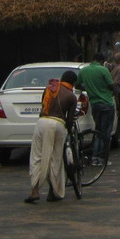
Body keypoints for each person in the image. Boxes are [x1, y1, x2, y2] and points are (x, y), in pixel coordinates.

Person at [25, 70, 78, 204]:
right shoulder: (71, 96)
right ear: (73, 83)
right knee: (55, 158)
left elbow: (44, 107)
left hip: (42, 122)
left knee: (37, 156)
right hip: (58, 124)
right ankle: (53, 192)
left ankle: (35, 191)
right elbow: (70, 121)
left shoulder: (49, 89)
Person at [78, 52, 116, 165]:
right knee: (106, 132)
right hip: (107, 103)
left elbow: (77, 85)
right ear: (102, 61)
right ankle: (102, 158)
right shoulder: (103, 70)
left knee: (98, 130)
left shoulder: (84, 71)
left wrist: (89, 88)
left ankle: (94, 157)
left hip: (94, 104)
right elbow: (111, 85)